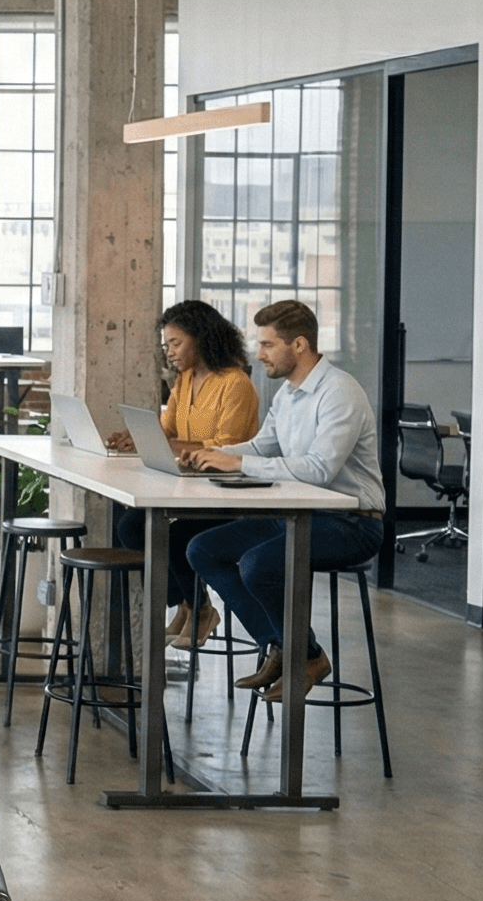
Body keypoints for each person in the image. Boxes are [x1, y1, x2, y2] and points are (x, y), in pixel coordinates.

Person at [186, 300, 387, 703]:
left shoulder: (339, 392)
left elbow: (319, 469)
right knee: (203, 549)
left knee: (259, 564)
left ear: (299, 345)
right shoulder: (289, 394)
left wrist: (237, 462)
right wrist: (209, 454)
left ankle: (305, 656)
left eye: (266, 345)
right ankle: (285, 647)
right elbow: (262, 447)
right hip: (300, 514)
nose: (258, 356)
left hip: (352, 522)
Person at [105, 301, 261, 649]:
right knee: (131, 525)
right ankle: (190, 603)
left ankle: (200, 607)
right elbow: (167, 430)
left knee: (175, 537)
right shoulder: (185, 380)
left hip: (226, 494)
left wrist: (170, 443)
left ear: (201, 338)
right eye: (167, 345)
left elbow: (228, 449)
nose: (170, 352)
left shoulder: (235, 384)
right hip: (189, 488)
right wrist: (138, 438)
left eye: (175, 343)